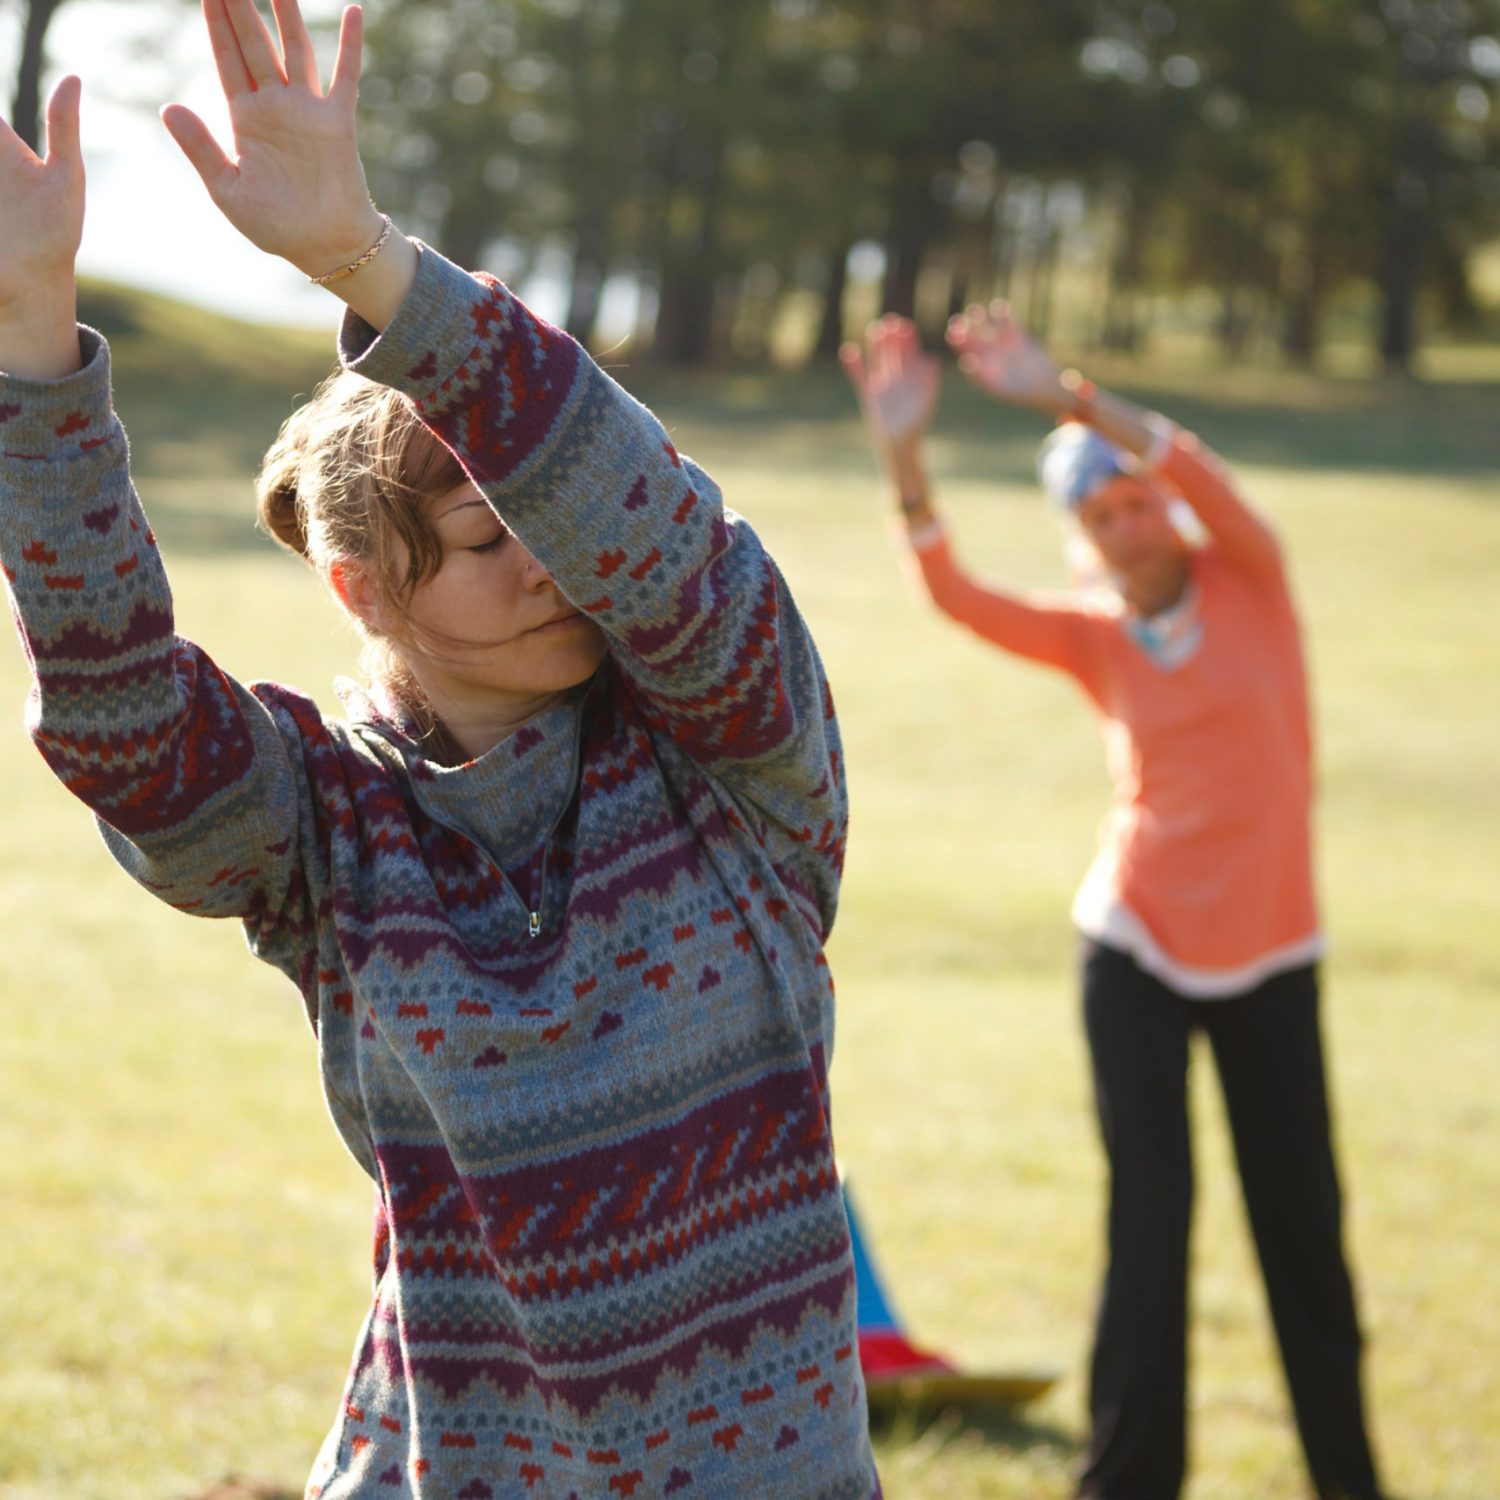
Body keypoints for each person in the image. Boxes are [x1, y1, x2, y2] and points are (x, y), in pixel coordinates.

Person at [0, 3, 881, 1496]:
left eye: (556, 523)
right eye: (494, 538)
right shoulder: (324, 833)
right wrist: (30, 355)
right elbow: (125, 722)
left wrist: (365, 262)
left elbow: (643, 519)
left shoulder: (736, 752)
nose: (561, 564)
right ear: (364, 587)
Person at [841, 308, 1384, 1500]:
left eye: (1134, 502)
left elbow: (1195, 461)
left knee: (1303, 1233)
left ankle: (1351, 1479)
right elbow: (956, 594)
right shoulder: (1099, 637)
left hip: (1274, 954)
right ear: (1083, 539)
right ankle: (1129, 1483)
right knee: (1150, 1225)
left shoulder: (1252, 578)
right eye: (1099, 518)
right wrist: (903, 453)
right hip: (1133, 949)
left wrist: (1063, 397)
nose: (1126, 525)